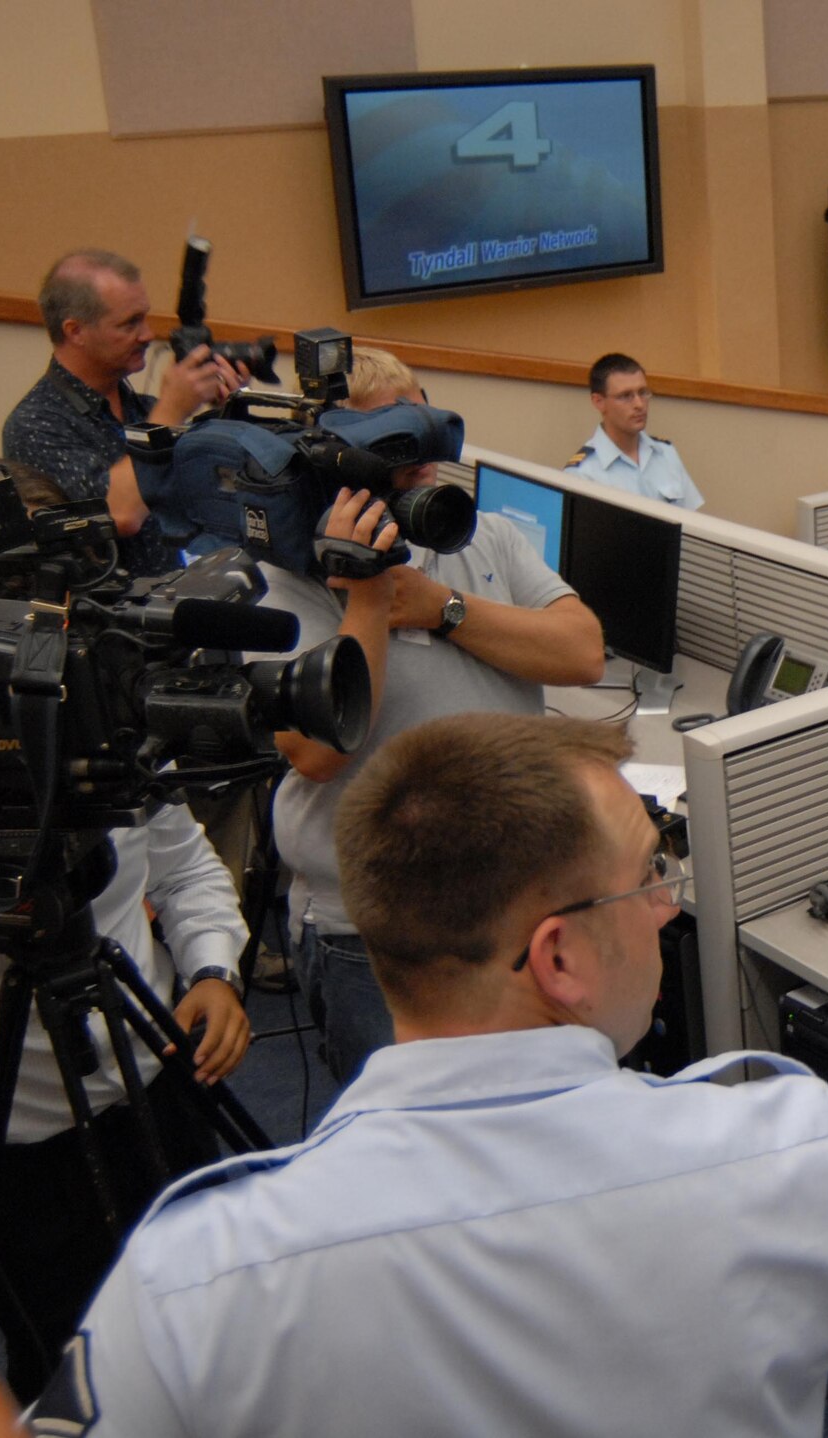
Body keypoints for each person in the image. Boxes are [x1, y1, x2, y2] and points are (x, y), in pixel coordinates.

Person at [31, 712, 828, 1436]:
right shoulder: (788, 1143)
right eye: (647, 880)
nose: (665, 906)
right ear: (555, 954)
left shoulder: (189, 1272)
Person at [253, 352, 607, 1083]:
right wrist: (369, 601)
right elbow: (316, 754)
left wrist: (444, 610)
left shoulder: (480, 536)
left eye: (424, 418)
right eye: (394, 440)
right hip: (377, 931)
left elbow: (582, 652)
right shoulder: (286, 577)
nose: (425, 459)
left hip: (516, 894)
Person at [0, 802, 250, 1402]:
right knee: (67, 1379)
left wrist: (214, 971)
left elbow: (186, 869)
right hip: (2, 1158)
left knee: (221, 1332)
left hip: (160, 1094)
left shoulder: (101, 728)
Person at [1, 250, 244, 577]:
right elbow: (119, 514)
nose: (147, 334)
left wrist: (227, 417)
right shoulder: (35, 424)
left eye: (144, 317)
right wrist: (172, 410)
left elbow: (216, 502)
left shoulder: (142, 409)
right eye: (130, 323)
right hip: (105, 619)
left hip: (178, 598)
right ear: (75, 331)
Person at [564, 352, 704, 509]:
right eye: (625, 396)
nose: (639, 404)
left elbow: (692, 525)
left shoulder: (665, 453)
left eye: (643, 393)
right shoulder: (582, 474)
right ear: (599, 402)